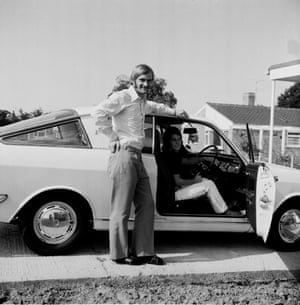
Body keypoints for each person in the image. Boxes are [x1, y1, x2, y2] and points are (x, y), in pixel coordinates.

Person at [93, 64, 188, 265]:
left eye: (149, 80)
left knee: (147, 204)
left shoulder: (143, 103)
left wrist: (176, 112)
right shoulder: (122, 97)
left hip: (137, 157)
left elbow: (158, 107)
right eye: (142, 80)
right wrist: (112, 137)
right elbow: (98, 113)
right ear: (133, 81)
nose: (145, 84)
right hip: (124, 155)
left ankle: (143, 252)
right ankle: (119, 255)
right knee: (121, 208)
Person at [162, 126, 242, 216]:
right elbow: (177, 181)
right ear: (168, 141)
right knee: (209, 185)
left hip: (177, 189)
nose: (177, 143)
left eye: (179, 139)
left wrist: (205, 158)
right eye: (174, 140)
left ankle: (222, 205)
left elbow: (188, 161)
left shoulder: (174, 155)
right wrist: (194, 181)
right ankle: (225, 212)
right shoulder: (170, 157)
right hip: (174, 194)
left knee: (205, 180)